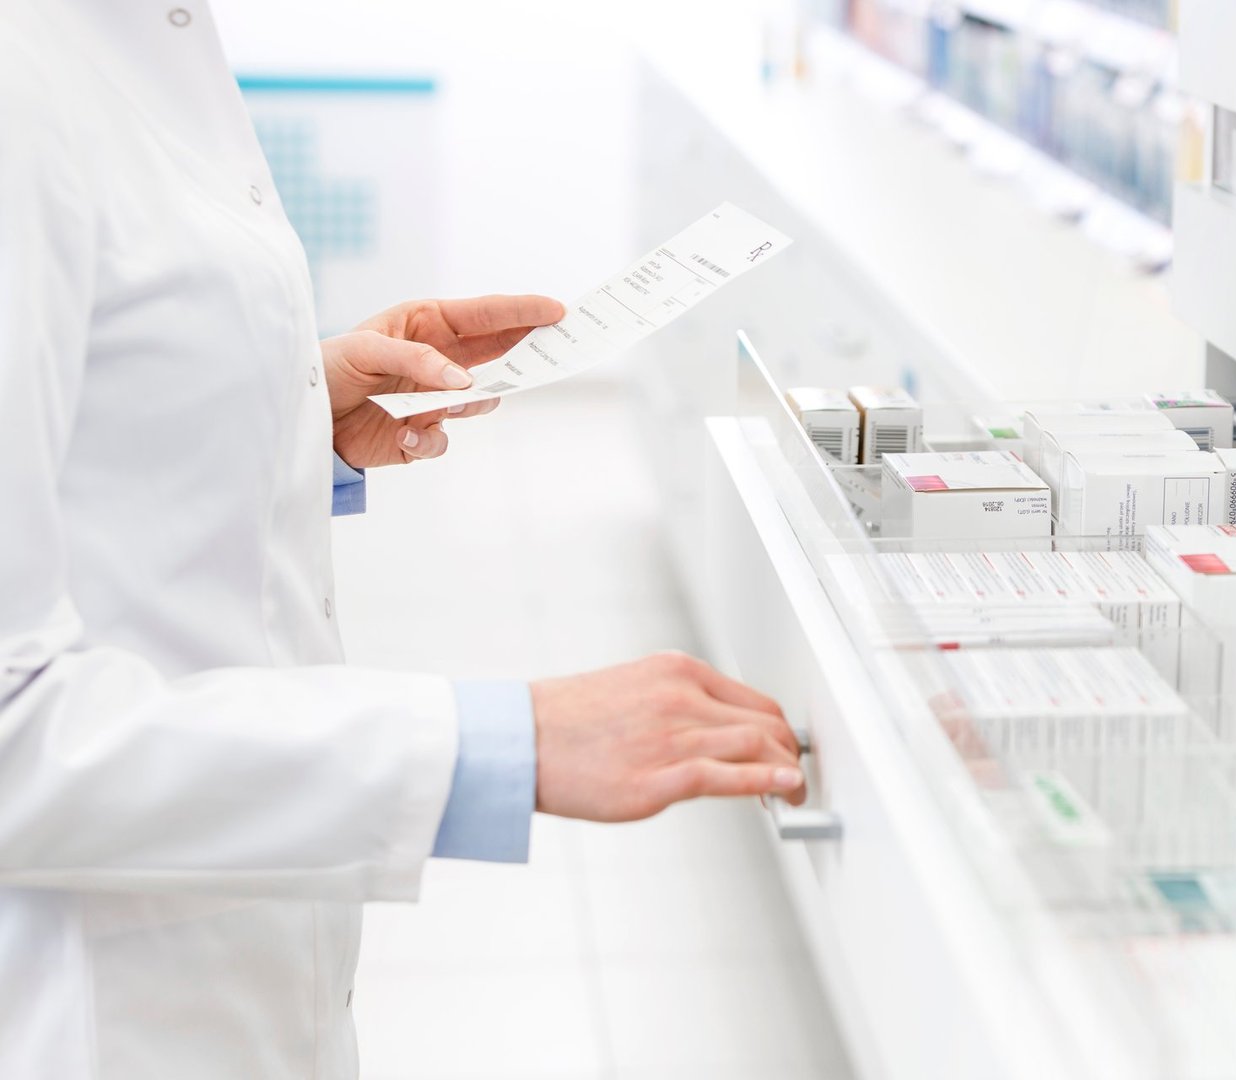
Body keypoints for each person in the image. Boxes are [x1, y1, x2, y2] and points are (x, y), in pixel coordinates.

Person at [0, 2, 806, 1076]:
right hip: (102, 1016)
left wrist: (287, 405)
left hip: (240, 953)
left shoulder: (156, 36)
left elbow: (95, 415)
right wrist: (497, 742)